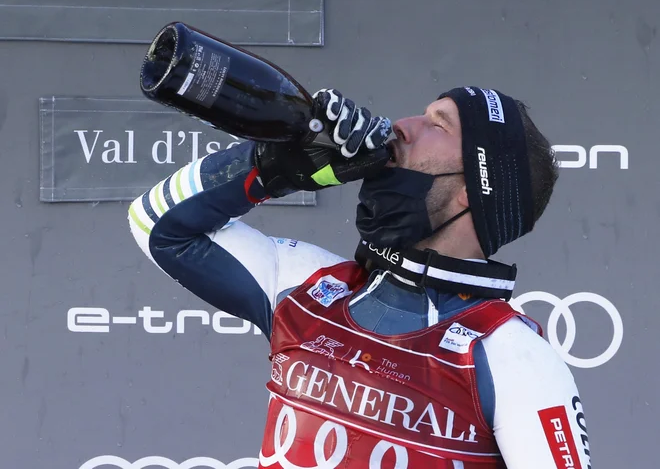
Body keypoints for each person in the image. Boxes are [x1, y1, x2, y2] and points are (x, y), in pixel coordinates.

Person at [127, 87, 592, 468]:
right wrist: (272, 167)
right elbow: (156, 224)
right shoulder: (310, 286)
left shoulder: (511, 356)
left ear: (472, 190)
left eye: (437, 124)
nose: (401, 126)